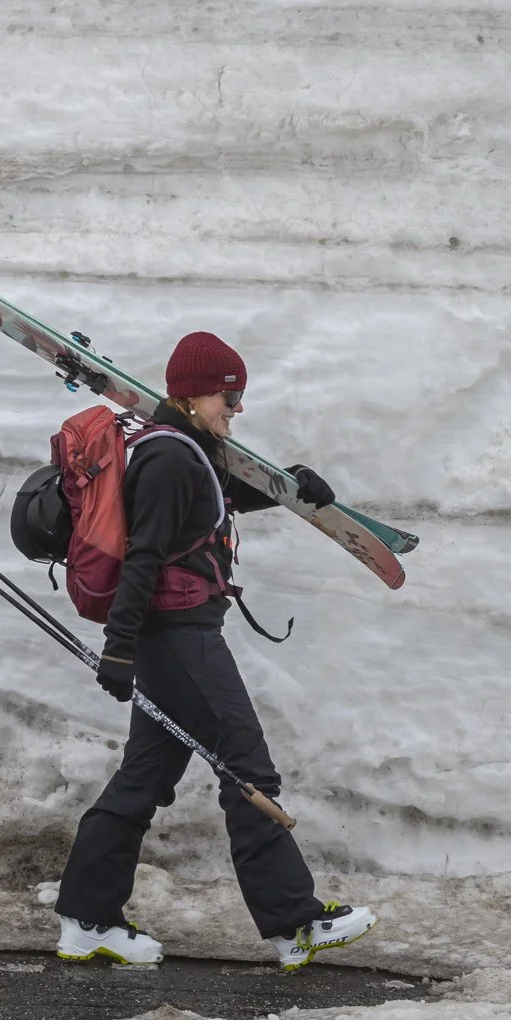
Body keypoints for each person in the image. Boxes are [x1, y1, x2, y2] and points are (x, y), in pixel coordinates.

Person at [53, 331, 375, 973]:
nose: (237, 408)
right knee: (248, 770)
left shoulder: (185, 450)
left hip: (172, 635)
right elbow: (145, 554)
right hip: (179, 638)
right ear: (194, 393)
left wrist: (289, 491)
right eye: (229, 396)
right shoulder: (171, 457)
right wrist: (117, 649)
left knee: (143, 778)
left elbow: (214, 501)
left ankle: (87, 921)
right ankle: (295, 922)